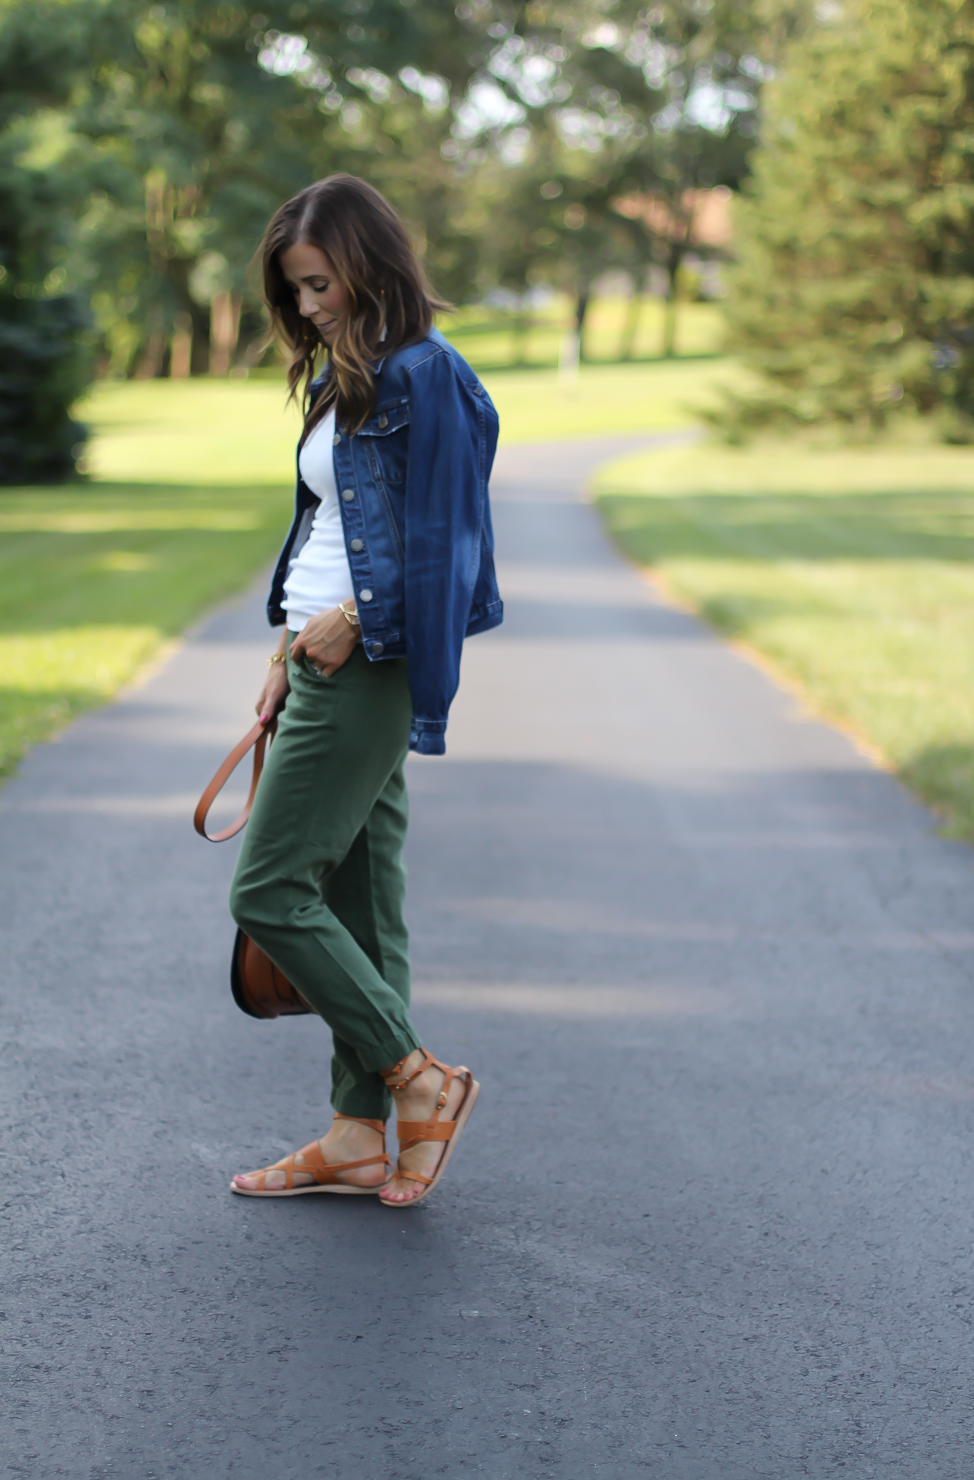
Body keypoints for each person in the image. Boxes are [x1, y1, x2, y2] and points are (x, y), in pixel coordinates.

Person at [228, 174, 502, 1208]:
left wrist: (366, 622)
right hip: (312, 657)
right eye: (294, 291)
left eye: (318, 284)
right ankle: (355, 1132)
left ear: (368, 262)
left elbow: (450, 544)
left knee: (268, 889)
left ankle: (418, 1079)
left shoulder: (429, 377)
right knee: (361, 898)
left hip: (366, 665)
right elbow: (323, 532)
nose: (307, 307)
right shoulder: (343, 375)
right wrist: (283, 648)